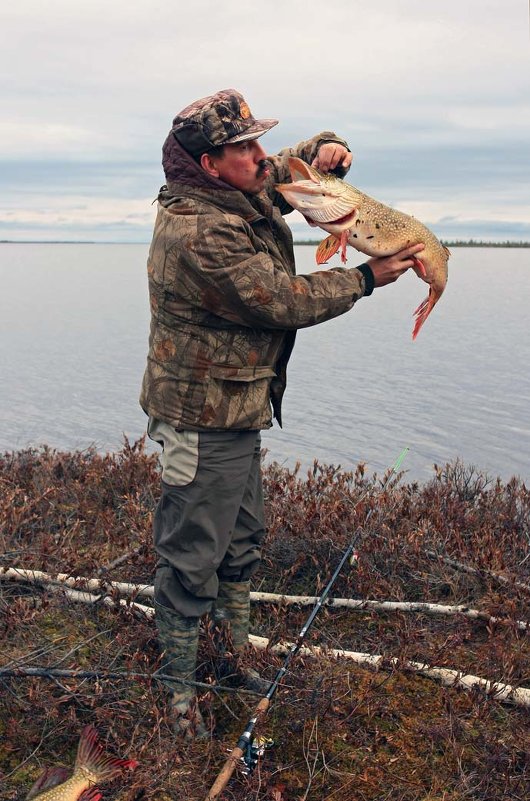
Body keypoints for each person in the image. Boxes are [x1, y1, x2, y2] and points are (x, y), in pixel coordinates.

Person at [140, 88, 423, 738]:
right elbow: (281, 299)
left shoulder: (233, 190)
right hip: (200, 416)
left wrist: (325, 147)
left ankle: (231, 664)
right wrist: (367, 277)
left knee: (241, 543)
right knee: (190, 556)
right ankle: (178, 697)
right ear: (211, 163)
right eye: (245, 146)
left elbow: (284, 173)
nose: (260, 155)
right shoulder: (199, 230)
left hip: (238, 406)